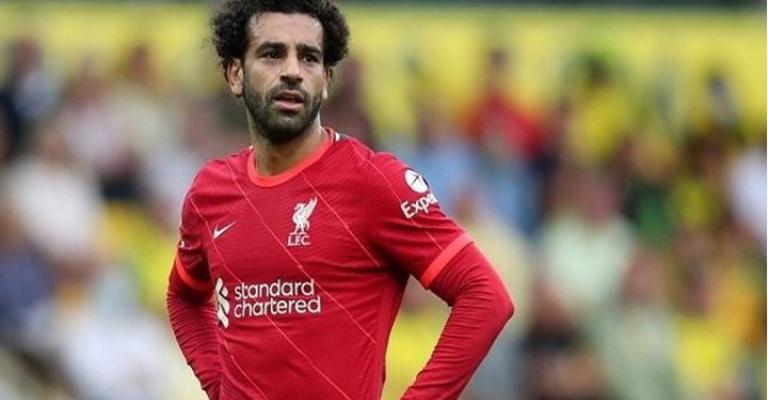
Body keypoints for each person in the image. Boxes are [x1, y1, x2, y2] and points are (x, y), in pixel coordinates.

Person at [166, 1, 513, 399]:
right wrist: (219, 385)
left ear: (326, 79)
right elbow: (183, 296)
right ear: (235, 73)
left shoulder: (373, 182)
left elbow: (485, 296)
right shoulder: (211, 191)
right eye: (272, 54)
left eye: (309, 58)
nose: (292, 70)